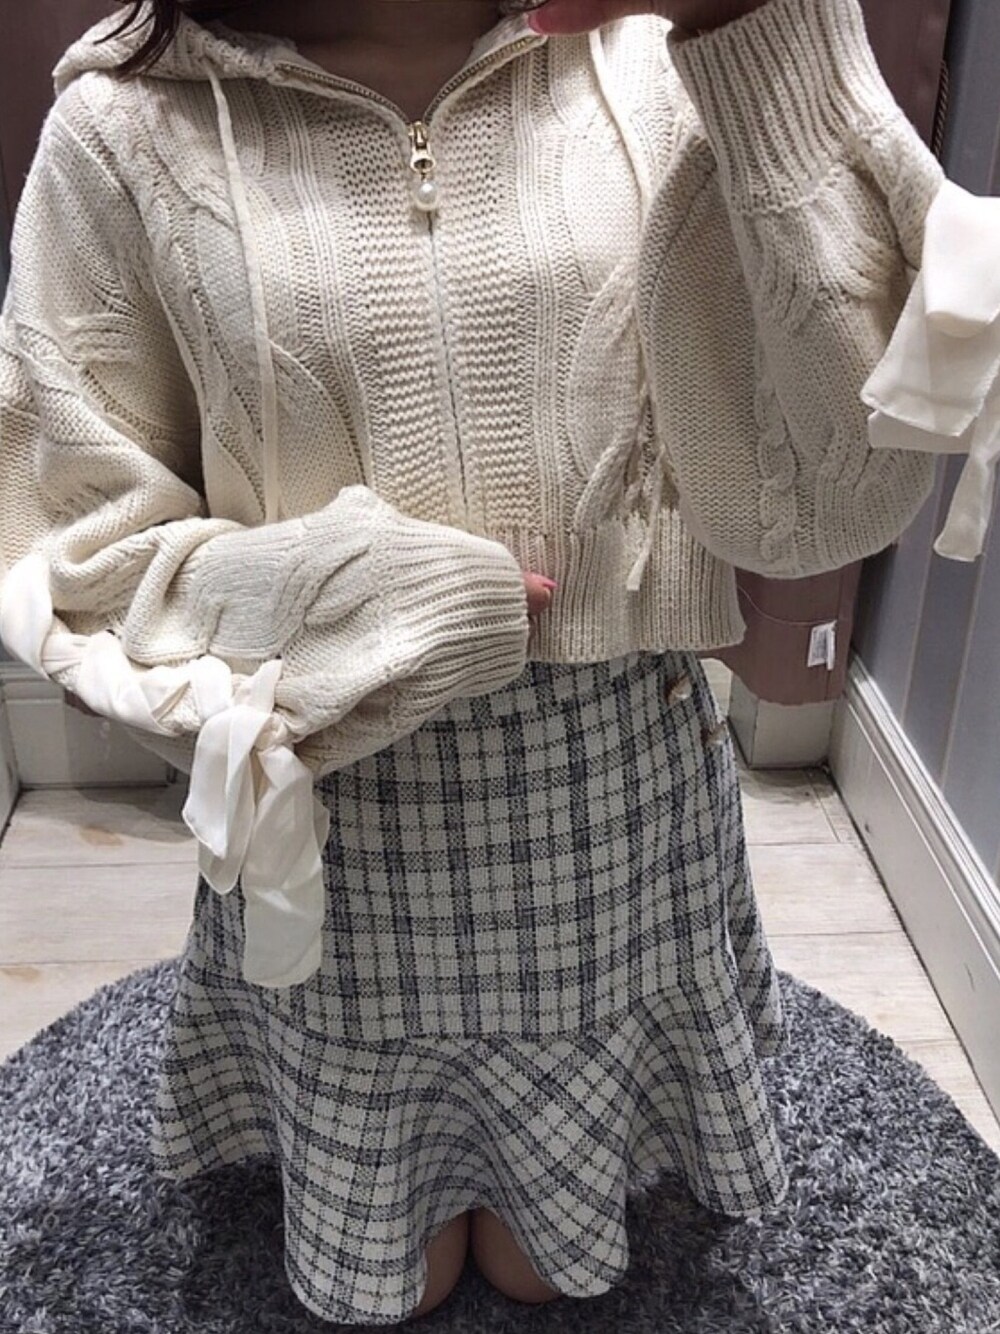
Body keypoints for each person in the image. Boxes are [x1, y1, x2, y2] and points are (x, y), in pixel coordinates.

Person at [0, 0, 958, 1323]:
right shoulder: (124, 125)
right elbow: (71, 553)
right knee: (384, 1274)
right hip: (335, 810)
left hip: (614, 813)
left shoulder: (671, 57)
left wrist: (764, 40)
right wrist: (386, 603)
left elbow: (841, 499)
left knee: (546, 1261)